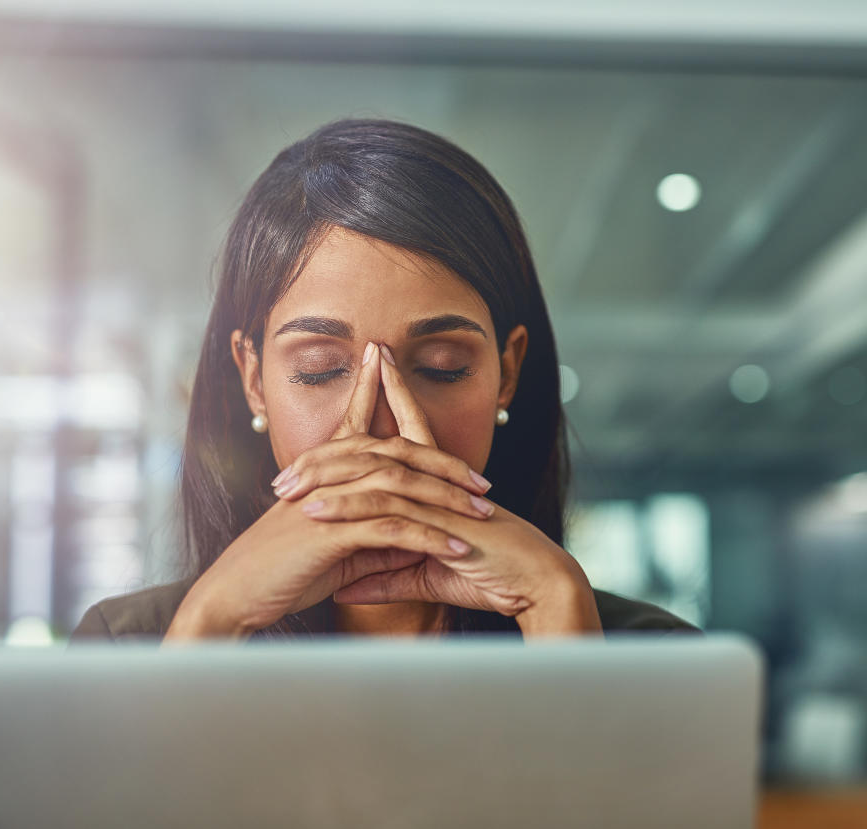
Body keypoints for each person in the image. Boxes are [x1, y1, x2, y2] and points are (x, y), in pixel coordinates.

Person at [72, 119, 695, 641]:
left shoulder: (647, 652)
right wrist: (212, 622)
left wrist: (557, 609)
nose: (382, 424)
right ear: (255, 380)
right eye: (320, 370)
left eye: (440, 367)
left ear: (506, 375)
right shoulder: (134, 642)